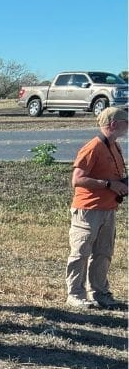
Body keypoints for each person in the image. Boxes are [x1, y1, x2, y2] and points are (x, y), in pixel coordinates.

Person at [65, 107, 128, 309]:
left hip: (108, 209)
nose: (128, 127)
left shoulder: (115, 146)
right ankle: (75, 294)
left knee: (103, 253)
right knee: (81, 252)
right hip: (88, 209)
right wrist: (109, 185)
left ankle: (99, 293)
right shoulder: (93, 147)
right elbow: (77, 179)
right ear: (113, 124)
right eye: (125, 122)